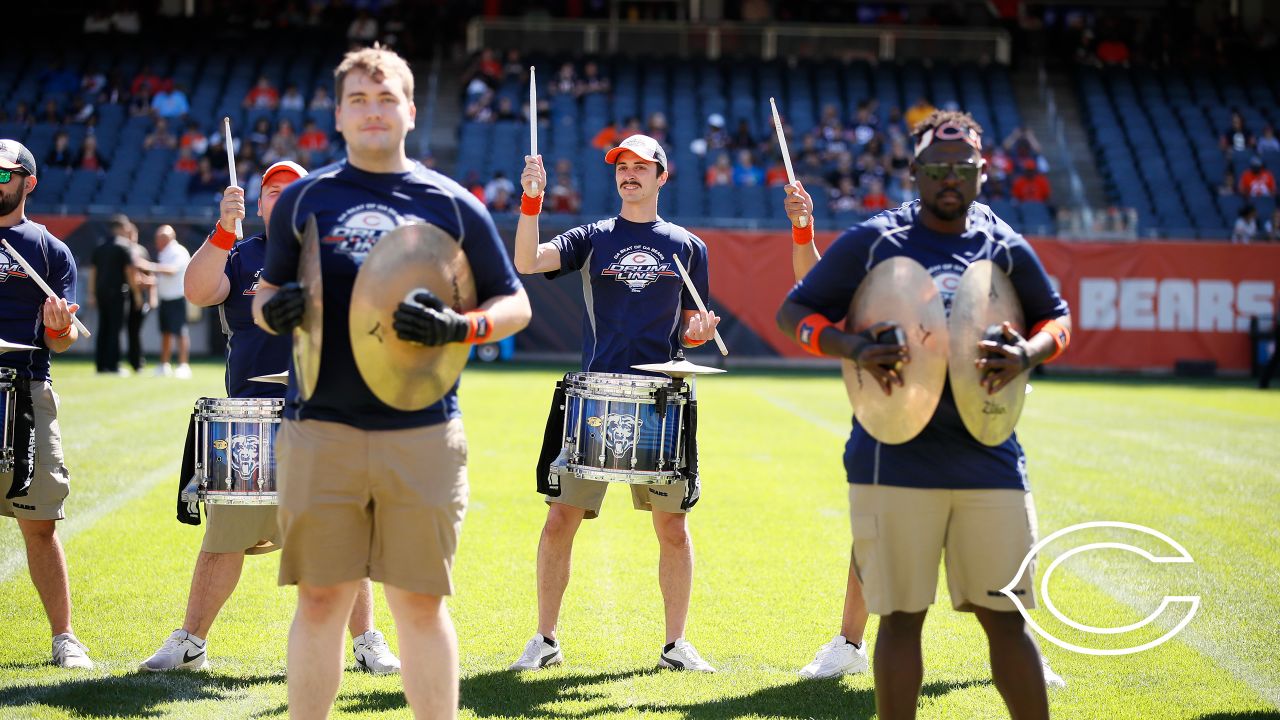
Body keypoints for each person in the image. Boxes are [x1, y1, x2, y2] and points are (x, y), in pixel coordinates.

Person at [251, 46, 531, 719]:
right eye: (357, 101)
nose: (372, 112)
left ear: (410, 109)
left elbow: (512, 302)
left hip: (423, 432)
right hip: (321, 430)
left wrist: (460, 329)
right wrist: (274, 310)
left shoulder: (454, 204)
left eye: (385, 100)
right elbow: (264, 294)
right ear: (338, 117)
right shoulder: (303, 199)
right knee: (320, 599)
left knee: (419, 603)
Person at [776, 111, 1071, 719]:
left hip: (987, 453)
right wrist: (852, 347)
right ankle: (848, 647)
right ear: (914, 171)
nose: (949, 179)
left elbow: (1058, 318)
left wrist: (1029, 353)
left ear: (983, 174)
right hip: (892, 454)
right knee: (902, 617)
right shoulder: (876, 239)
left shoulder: (1004, 244)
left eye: (962, 169)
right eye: (936, 168)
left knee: (1006, 619)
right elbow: (797, 312)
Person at [138, 161, 400, 674]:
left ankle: (368, 642)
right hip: (249, 420)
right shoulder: (238, 255)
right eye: (270, 192)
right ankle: (191, 640)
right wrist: (221, 229)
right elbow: (196, 290)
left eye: (291, 191)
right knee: (226, 538)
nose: (279, 198)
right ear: (258, 205)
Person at [509, 133, 721, 673]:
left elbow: (693, 328)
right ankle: (545, 639)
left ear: (661, 176)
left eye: (640, 167)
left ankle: (677, 645)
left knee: (673, 527)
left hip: (661, 400)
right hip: (597, 395)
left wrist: (698, 331)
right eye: (621, 166)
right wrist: (531, 200)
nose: (629, 174)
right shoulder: (595, 236)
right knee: (561, 517)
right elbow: (529, 260)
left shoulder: (687, 246)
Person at [0, 139, 92, 668]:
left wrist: (58, 329)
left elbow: (61, 341)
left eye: (4, 175)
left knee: (39, 523)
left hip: (28, 391)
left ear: (27, 183)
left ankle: (64, 638)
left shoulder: (50, 250)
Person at [88, 214, 134, 375]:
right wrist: (137, 293)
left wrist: (91, 294)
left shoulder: (100, 246)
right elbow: (129, 272)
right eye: (126, 226)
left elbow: (93, 272)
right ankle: (114, 366)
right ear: (120, 228)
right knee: (115, 329)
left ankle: (101, 366)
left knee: (103, 328)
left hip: (101, 293)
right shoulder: (124, 246)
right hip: (118, 292)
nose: (129, 229)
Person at [149, 226, 193, 378]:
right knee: (166, 332)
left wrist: (149, 266)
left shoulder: (179, 251)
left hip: (177, 297)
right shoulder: (164, 253)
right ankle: (164, 365)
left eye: (161, 238)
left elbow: (172, 270)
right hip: (165, 298)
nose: (158, 241)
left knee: (180, 332)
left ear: (169, 238)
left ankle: (183, 365)